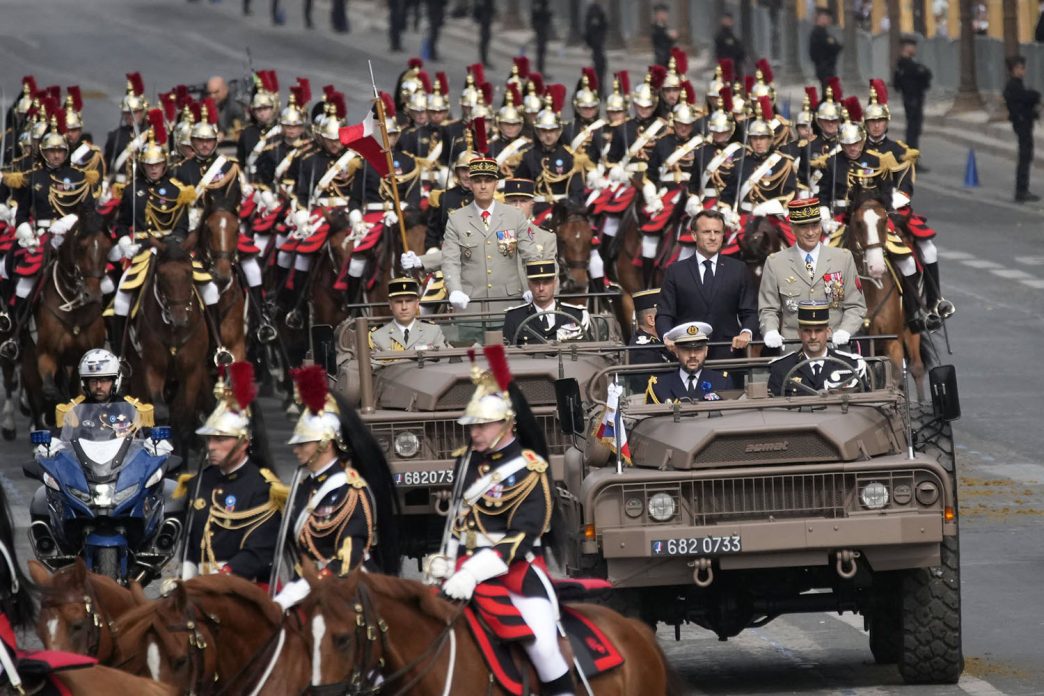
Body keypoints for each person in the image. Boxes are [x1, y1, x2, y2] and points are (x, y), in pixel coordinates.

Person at [431, 348, 575, 696]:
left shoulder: (529, 469)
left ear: (507, 424)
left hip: (516, 572)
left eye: (482, 425)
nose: (474, 433)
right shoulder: (466, 462)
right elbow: (457, 521)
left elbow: (520, 538)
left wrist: (471, 572)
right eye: (472, 426)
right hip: (462, 569)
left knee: (542, 646)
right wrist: (446, 560)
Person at [274, 366, 399, 609]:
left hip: (347, 590)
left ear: (325, 443)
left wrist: (301, 589)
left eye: (304, 442)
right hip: (311, 588)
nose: (296, 449)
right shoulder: (305, 486)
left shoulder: (350, 489)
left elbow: (347, 560)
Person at [181, 362, 284, 583]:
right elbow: (190, 543)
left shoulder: (262, 487)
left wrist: (222, 577)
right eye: (209, 439)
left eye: (220, 439)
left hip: (240, 584)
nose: (211, 446)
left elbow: (259, 551)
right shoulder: (199, 482)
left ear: (243, 442)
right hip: (200, 585)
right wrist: (185, 579)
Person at [758, 198, 865, 349]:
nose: (810, 232)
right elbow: (768, 308)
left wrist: (845, 330)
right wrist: (770, 331)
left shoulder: (843, 258)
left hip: (835, 347)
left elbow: (856, 305)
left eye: (815, 225)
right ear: (792, 228)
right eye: (803, 227)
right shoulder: (775, 263)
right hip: (794, 350)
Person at [441, 157, 539, 315]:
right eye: (478, 180)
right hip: (470, 304)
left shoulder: (514, 216)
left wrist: (532, 286)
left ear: (496, 183)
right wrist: (455, 290)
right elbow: (450, 260)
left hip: (510, 303)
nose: (483, 186)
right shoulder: (456, 218)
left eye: (488, 180)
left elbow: (531, 256)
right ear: (470, 184)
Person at [656, 209, 757, 362]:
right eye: (706, 232)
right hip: (687, 356)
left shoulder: (738, 270)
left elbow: (750, 311)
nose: (712, 237)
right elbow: (664, 314)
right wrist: (667, 337)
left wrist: (746, 332)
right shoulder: (675, 271)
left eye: (717, 232)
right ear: (694, 235)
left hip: (728, 357)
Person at [768, 300, 866, 396]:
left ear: (828, 332)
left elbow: (866, 405)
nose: (813, 336)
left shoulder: (851, 365)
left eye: (818, 330)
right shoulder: (782, 368)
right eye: (807, 331)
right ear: (799, 333)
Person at [54, 348, 154, 427]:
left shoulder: (131, 409)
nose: (98, 386)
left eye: (104, 380)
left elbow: (147, 438)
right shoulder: (74, 411)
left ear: (116, 381)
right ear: (85, 383)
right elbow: (61, 441)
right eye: (93, 381)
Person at [502, 260, 590, 345]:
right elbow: (508, 354)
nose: (541, 288)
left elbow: (589, 353)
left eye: (546, 283)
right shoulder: (514, 317)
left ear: (554, 283)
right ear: (529, 285)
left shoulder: (576, 315)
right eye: (536, 283)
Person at [645, 321, 729, 404]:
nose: (692, 355)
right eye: (686, 350)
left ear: (706, 351)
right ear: (676, 352)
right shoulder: (659, 386)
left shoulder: (722, 382)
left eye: (698, 349)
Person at [368, 277, 450, 355]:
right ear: (390, 304)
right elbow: (373, 366)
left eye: (409, 301)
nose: (404, 307)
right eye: (398, 302)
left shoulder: (433, 331)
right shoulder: (377, 336)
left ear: (417, 303)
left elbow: (445, 361)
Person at [1003, 55, 1041, 203]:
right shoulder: (1013, 86)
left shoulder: (1018, 84)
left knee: (1027, 156)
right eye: (1020, 68)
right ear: (1013, 70)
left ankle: (1023, 189)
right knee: (1024, 157)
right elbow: (1025, 99)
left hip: (1025, 123)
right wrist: (1033, 97)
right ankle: (1021, 190)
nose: (1022, 70)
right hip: (1022, 124)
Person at [892, 36, 932, 153]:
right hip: (912, 98)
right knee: (913, 129)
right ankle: (911, 156)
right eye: (913, 47)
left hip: (913, 98)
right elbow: (924, 74)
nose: (915, 50)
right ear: (907, 48)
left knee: (914, 128)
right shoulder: (906, 65)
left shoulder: (905, 64)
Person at [809, 7, 842, 96]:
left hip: (826, 67)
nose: (829, 20)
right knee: (829, 94)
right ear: (820, 19)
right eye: (826, 18)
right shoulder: (819, 33)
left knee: (828, 93)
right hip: (825, 67)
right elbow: (834, 47)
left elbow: (837, 46)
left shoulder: (823, 33)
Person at [584, 0, 609, 96]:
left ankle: (600, 89)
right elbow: (592, 28)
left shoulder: (598, 8)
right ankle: (599, 90)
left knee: (601, 67)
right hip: (597, 45)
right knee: (599, 67)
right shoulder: (594, 10)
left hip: (598, 45)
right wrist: (593, 42)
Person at [714, 12, 746, 78]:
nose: (728, 22)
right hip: (725, 65)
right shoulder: (720, 35)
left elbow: (739, 49)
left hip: (735, 66)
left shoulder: (733, 37)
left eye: (729, 20)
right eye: (726, 20)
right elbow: (721, 50)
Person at [651, 3, 677, 68]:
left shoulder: (666, 27)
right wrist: (667, 35)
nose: (664, 16)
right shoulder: (655, 28)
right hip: (661, 60)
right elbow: (658, 41)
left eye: (665, 14)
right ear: (657, 15)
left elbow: (670, 44)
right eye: (662, 14)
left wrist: (673, 38)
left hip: (669, 60)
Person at [475, 0, 495, 68]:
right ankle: (483, 60)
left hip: (486, 15)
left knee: (486, 39)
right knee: (485, 38)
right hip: (485, 17)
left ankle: (484, 59)